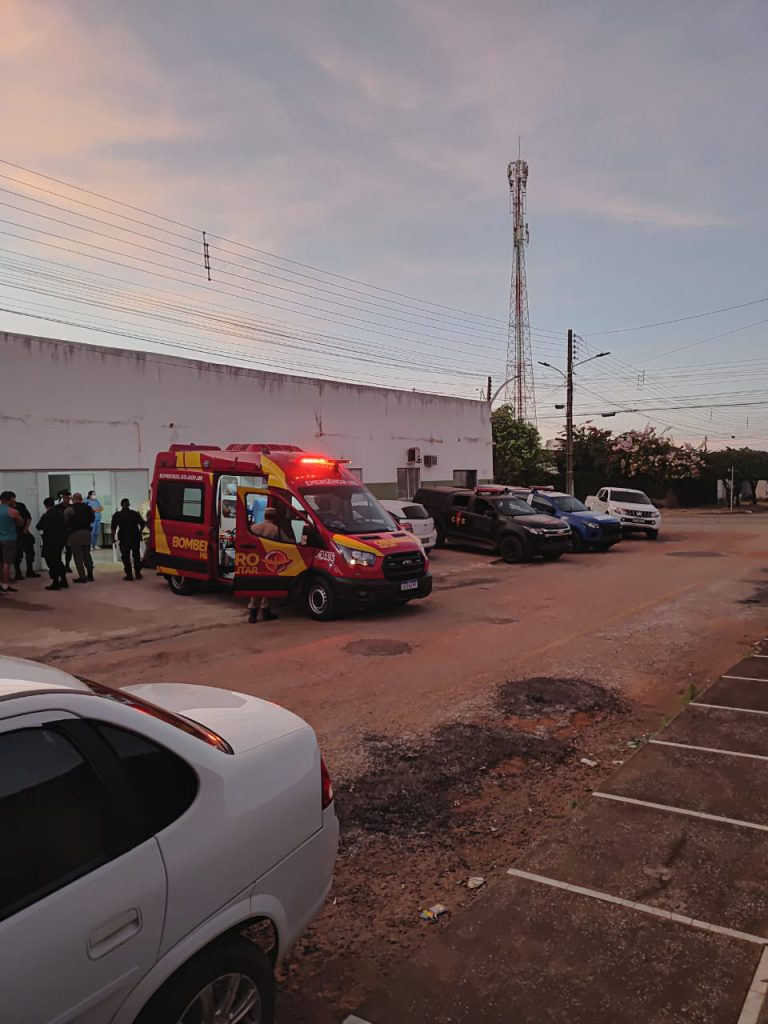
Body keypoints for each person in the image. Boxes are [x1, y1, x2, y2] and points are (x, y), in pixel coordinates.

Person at [247, 505, 280, 623]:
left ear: (265, 515)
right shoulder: (275, 529)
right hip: (269, 562)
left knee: (255, 586)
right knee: (267, 587)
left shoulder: (254, 527)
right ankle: (266, 612)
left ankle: (252, 614)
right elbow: (285, 543)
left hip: (255, 561)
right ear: (274, 517)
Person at [36, 498, 68, 590]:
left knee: (51, 561)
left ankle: (55, 582)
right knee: (58, 560)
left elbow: (38, 526)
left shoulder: (47, 515)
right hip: (60, 540)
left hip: (49, 541)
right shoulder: (61, 513)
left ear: (45, 505)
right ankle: (63, 580)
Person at [111, 498, 145, 581]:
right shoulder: (134, 514)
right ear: (129, 504)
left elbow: (113, 528)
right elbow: (143, 524)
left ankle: (129, 575)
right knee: (136, 556)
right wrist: (139, 532)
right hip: (134, 537)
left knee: (125, 557)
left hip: (124, 538)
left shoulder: (117, 515)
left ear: (121, 505)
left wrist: (113, 538)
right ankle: (137, 573)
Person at [65, 493, 95, 584]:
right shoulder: (88, 508)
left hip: (75, 534)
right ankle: (90, 575)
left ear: (72, 499)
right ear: (81, 499)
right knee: (87, 555)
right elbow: (92, 519)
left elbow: (65, 521)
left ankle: (82, 577)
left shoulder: (70, 509)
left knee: (78, 557)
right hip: (87, 533)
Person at [0, 491, 23, 594]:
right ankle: (5, 585)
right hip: (9, 539)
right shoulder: (13, 511)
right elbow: (20, 523)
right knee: (6, 563)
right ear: (9, 499)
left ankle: (1, 583)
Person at [13, 499, 40, 580]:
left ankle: (30, 571)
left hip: (24, 532)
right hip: (14, 534)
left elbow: (28, 518)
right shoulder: (6, 508)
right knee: (17, 554)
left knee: (30, 553)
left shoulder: (21, 506)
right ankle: (18, 573)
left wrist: (26, 528)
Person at [57, 491, 73, 573]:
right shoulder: (57, 507)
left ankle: (67, 565)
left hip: (70, 532)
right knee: (59, 549)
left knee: (69, 550)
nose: (67, 499)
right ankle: (59, 565)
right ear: (63, 497)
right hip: (60, 531)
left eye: (68, 497)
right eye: (65, 497)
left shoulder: (72, 507)